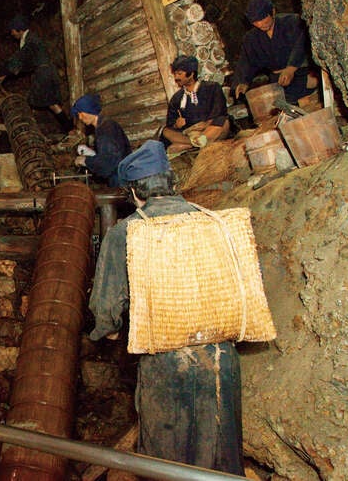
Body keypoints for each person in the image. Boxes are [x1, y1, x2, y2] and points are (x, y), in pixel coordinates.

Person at [88, 140, 244, 475]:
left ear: (134, 192)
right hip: (223, 359)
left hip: (168, 364)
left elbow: (106, 306)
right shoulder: (214, 221)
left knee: (167, 462)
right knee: (221, 459)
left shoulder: (128, 231)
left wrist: (108, 330)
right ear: (172, 182)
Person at [0, 15, 77, 142]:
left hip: (43, 74)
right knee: (52, 104)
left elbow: (19, 59)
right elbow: (26, 64)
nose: (12, 33)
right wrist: (5, 74)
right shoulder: (31, 39)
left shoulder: (30, 41)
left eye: (13, 30)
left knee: (32, 103)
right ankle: (70, 129)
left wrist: (2, 72)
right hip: (47, 72)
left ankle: (30, 132)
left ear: (19, 29)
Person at [233, 0, 318, 105]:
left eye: (264, 21)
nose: (261, 25)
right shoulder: (251, 38)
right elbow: (246, 61)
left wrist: (291, 68)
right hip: (278, 82)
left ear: (272, 12)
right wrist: (243, 82)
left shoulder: (292, 22)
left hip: (303, 74)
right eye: (256, 24)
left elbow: (302, 44)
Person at [162, 55, 230, 155]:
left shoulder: (212, 88)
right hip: (190, 134)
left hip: (210, 129)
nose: (176, 78)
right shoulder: (176, 99)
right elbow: (170, 124)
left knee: (223, 121)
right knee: (166, 131)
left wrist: (206, 124)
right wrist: (176, 125)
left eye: (179, 74)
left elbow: (220, 112)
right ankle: (194, 143)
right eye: (175, 74)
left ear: (191, 73)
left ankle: (195, 143)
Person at [70, 93, 131, 186]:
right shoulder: (105, 125)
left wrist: (85, 161)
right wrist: (92, 153)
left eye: (81, 113)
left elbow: (108, 163)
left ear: (90, 111)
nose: (80, 118)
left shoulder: (105, 129)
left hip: (120, 180)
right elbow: (110, 154)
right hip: (121, 175)